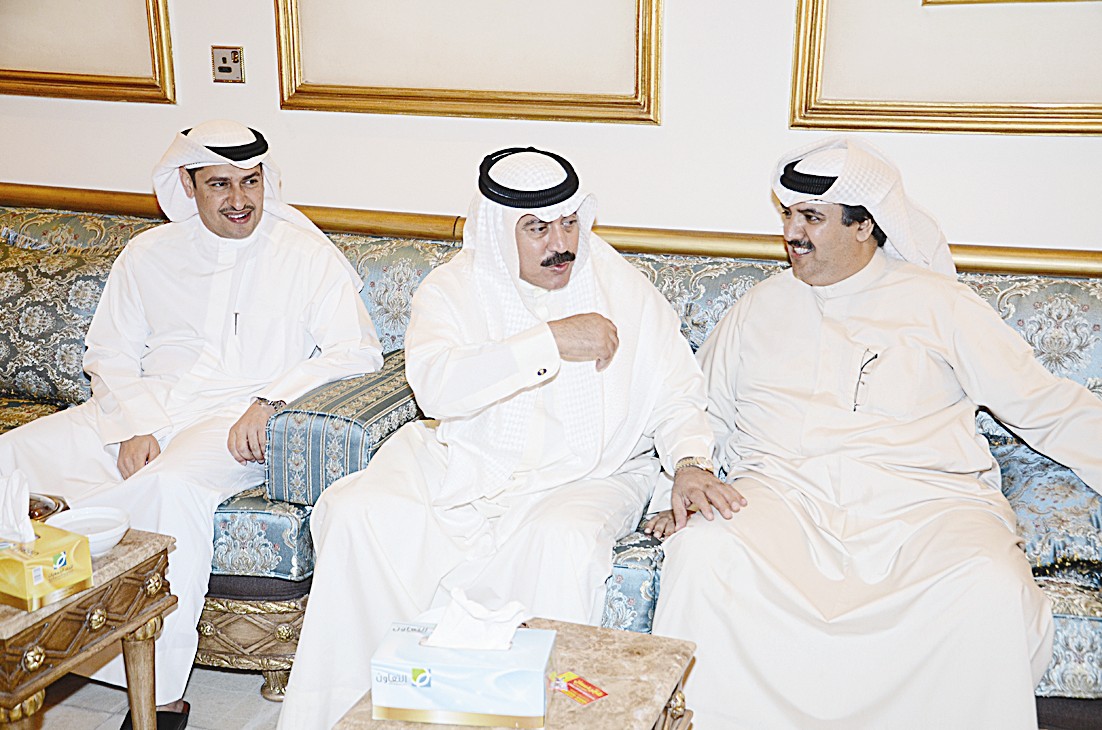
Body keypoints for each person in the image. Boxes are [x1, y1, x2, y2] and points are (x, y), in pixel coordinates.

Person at [649, 136, 1102, 730]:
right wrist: (679, 485)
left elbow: (1043, 405)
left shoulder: (942, 305)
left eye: (812, 218)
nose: (792, 233)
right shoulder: (759, 306)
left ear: (865, 225)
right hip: (786, 502)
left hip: (923, 508)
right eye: (788, 215)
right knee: (704, 553)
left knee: (988, 582)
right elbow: (698, 411)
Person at [277, 147, 734, 729]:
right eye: (537, 229)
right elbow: (436, 388)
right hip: (465, 459)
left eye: (569, 224)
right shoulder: (452, 289)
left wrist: (690, 462)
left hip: (589, 474)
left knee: (559, 541)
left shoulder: (621, 287)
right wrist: (550, 341)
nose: (561, 244)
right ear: (499, 230)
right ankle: (359, 713)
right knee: (357, 511)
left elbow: (677, 391)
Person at [0, 120, 383, 729]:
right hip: (140, 406)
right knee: (12, 457)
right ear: (187, 183)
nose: (240, 199)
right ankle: (27, 637)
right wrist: (133, 425)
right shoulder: (149, 254)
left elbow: (356, 351)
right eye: (220, 184)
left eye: (251, 181)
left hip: (234, 420)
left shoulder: (304, 255)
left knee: (171, 488)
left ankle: (159, 693)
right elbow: (110, 353)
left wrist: (271, 400)